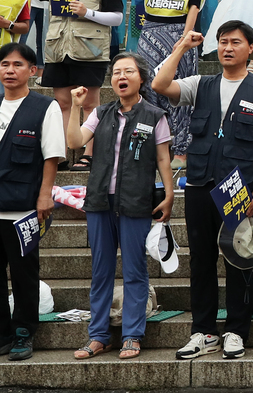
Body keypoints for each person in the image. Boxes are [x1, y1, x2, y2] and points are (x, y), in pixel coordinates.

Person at [152, 24, 253, 360]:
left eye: (235, 43)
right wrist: (182, 47)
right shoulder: (202, 84)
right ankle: (203, 331)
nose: (228, 48)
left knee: (240, 259)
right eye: (223, 42)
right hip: (200, 183)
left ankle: (237, 332)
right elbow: (159, 84)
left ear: (250, 49)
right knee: (201, 260)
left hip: (239, 186)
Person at [67, 53, 174, 361]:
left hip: (136, 201)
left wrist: (169, 195)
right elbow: (75, 142)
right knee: (101, 270)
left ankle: (132, 335)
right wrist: (76, 105)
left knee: (135, 270)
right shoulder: (101, 113)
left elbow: (164, 159)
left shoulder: (155, 115)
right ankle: (98, 335)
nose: (121, 76)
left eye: (128, 71)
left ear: (141, 78)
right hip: (100, 201)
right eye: (116, 72)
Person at [13, 0, 122, 170]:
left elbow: (117, 18)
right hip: (58, 50)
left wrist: (88, 13)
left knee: (90, 103)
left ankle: (89, 153)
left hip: (90, 51)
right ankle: (60, 152)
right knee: (62, 103)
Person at [118, 0, 205, 160]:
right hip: (150, 33)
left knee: (181, 90)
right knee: (148, 88)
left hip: (181, 32)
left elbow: (195, 4)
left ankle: (181, 150)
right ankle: (154, 146)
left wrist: (186, 37)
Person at [0, 42, 63, 361]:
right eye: (4, 65)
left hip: (24, 208)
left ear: (32, 71)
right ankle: (2, 334)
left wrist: (45, 194)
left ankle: (24, 333)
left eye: (17, 65)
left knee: (24, 273)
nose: (10, 71)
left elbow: (52, 155)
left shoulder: (44, 106)